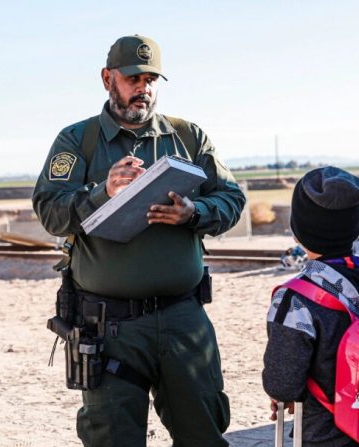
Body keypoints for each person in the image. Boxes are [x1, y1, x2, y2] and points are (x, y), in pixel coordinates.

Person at [32, 35, 245, 446]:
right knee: (113, 437)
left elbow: (232, 199)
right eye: (133, 78)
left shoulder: (188, 136)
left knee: (204, 433)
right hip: (109, 328)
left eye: (151, 79)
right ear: (107, 78)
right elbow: (50, 212)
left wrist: (193, 213)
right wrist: (101, 193)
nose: (143, 88)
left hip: (184, 321)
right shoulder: (78, 141)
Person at [262, 166, 359, 447]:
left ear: (298, 231)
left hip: (328, 437)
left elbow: (282, 385)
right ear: (355, 225)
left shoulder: (295, 298)